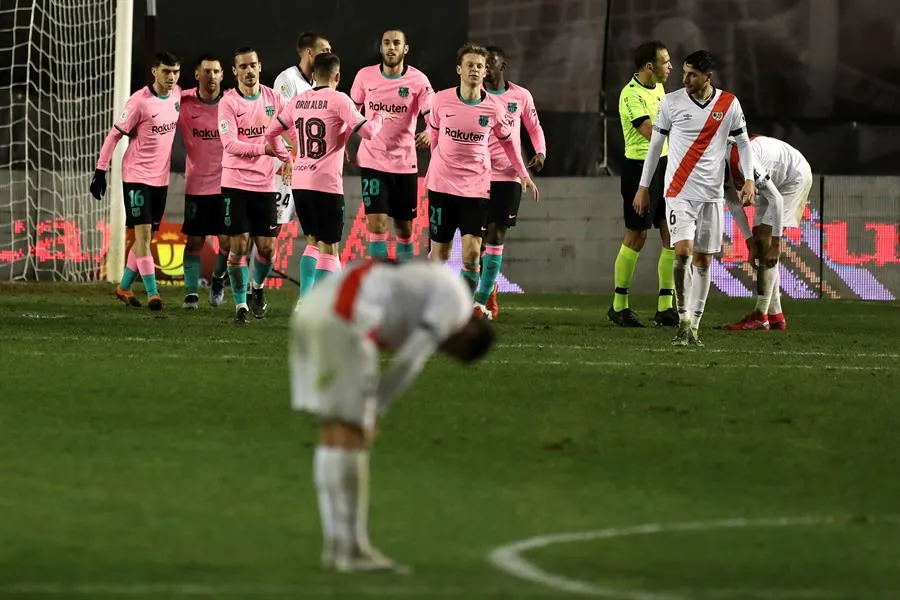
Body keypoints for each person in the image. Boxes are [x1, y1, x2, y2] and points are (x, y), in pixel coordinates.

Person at [290, 258, 495, 571]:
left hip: (315, 309)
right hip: (345, 315)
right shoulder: (456, 302)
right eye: (452, 350)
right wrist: (374, 410)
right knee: (352, 433)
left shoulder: (433, 284)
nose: (444, 349)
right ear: (468, 332)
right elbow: (409, 360)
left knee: (335, 430)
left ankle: (337, 547)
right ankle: (351, 550)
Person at [633, 50, 756, 346]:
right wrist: (643, 186)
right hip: (678, 192)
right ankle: (683, 319)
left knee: (703, 261)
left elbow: (743, 142)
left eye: (692, 75)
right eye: (684, 73)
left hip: (711, 195)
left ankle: (694, 327)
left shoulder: (729, 104)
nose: (684, 79)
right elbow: (655, 146)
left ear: (707, 77)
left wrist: (749, 179)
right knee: (683, 253)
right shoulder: (671, 102)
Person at [265, 52, 389, 299]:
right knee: (329, 248)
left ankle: (305, 301)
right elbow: (369, 133)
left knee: (312, 242)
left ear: (313, 75)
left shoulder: (299, 100)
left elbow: (271, 132)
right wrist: (380, 116)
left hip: (300, 182)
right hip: (326, 185)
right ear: (338, 76)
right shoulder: (339, 100)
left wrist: (286, 157)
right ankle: (319, 305)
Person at [425, 43, 539, 296]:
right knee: (439, 254)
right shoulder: (440, 100)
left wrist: (523, 174)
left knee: (473, 252)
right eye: (470, 65)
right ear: (459, 69)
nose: (475, 70)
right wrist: (437, 167)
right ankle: (434, 302)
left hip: (476, 188)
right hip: (442, 186)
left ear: (485, 70)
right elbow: (434, 137)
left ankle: (468, 307)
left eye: (479, 66)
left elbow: (510, 143)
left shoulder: (494, 108)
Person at [91, 51, 182, 311]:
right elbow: (114, 136)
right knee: (142, 236)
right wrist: (100, 171)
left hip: (161, 179)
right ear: (154, 71)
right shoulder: (138, 102)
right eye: (166, 71)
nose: (171, 77)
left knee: (148, 237)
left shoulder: (176, 96)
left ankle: (124, 286)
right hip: (137, 176)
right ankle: (154, 294)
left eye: (175, 72)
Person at [218, 47, 290, 324]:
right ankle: (240, 305)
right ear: (235, 71)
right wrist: (267, 150)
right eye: (243, 67)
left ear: (260, 66)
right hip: (235, 182)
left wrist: (290, 158)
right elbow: (230, 144)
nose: (249, 71)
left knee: (268, 248)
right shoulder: (229, 103)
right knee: (238, 245)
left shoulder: (275, 98)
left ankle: (257, 289)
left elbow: (290, 129)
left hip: (264, 184)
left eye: (253, 65)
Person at [475, 45, 546, 320]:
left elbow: (534, 128)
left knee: (497, 235)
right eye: (482, 63)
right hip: (477, 176)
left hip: (509, 176)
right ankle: (483, 293)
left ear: (502, 66)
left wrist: (540, 153)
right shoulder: (473, 97)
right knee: (476, 241)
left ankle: (484, 300)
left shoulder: (520, 96)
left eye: (490, 62)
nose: (485, 67)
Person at [349, 28, 433, 261]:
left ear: (405, 48)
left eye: (396, 43)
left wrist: (428, 131)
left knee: (404, 231)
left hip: (404, 164)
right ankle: (382, 284)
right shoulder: (365, 76)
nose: (391, 47)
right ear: (381, 47)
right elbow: (350, 112)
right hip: (372, 161)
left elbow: (432, 114)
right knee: (377, 227)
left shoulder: (418, 80)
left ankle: (402, 285)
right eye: (387, 42)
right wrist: (344, 143)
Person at [610, 41, 678, 328]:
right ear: (650, 66)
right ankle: (619, 305)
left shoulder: (659, 89)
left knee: (671, 234)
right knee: (636, 238)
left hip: (664, 168)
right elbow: (652, 133)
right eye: (665, 61)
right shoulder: (630, 95)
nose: (670, 66)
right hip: (639, 170)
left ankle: (666, 306)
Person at [722, 135, 812, 331]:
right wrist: (749, 244)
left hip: (792, 176)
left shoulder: (742, 163)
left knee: (765, 241)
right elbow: (734, 205)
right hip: (771, 178)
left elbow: (777, 200)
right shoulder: (716, 165)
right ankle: (775, 316)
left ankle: (760, 315)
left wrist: (776, 246)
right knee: (759, 242)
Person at [269, 32, 333, 297]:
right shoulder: (287, 80)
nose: (330, 52)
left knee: (316, 233)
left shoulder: (324, 83)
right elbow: (279, 124)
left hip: (314, 170)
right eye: (325, 48)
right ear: (309, 53)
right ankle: (253, 286)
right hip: (288, 166)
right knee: (271, 228)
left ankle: (311, 296)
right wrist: (290, 157)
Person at [177, 54, 228, 309]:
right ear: (197, 74)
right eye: (206, 71)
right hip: (197, 185)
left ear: (222, 75)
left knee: (228, 242)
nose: (211, 76)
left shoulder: (232, 102)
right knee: (195, 241)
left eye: (215, 71)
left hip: (228, 183)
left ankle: (218, 279)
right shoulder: (183, 101)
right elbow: (158, 106)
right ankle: (191, 293)